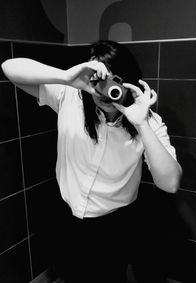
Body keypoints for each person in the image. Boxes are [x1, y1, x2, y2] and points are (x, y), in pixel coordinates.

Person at [1, 40, 182, 283]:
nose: (105, 90)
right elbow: (9, 67)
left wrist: (141, 123)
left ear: (129, 80)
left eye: (115, 79)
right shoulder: (70, 97)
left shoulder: (147, 121)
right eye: (99, 78)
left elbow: (170, 183)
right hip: (66, 217)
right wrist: (66, 77)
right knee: (71, 275)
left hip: (115, 226)